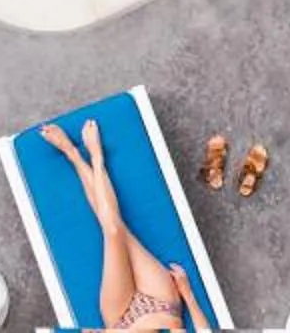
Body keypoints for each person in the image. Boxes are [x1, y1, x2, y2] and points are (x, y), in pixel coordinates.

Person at [36, 114, 216, 333]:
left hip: (121, 320)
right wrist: (188, 295)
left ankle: (77, 155)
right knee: (116, 229)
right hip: (161, 305)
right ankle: (89, 157)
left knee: (111, 230)